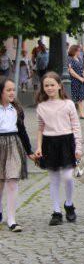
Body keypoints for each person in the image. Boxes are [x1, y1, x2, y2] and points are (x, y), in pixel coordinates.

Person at [32, 72, 82, 225]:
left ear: (59, 85)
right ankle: (56, 211)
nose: (49, 88)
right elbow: (40, 128)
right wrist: (38, 147)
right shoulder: (41, 106)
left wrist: (78, 147)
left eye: (52, 85)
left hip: (67, 141)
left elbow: (76, 126)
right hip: (49, 143)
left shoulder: (68, 104)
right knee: (54, 179)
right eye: (46, 85)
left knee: (68, 177)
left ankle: (69, 204)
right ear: (43, 88)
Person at [0, 78, 33, 232]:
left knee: (12, 181)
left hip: (13, 144)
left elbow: (22, 132)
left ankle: (11, 219)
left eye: (14, 89)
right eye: (8, 90)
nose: (12, 92)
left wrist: (29, 151)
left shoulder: (17, 110)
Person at [67, 44, 84, 118]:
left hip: (81, 81)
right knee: (74, 98)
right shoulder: (69, 59)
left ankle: (82, 114)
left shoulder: (79, 59)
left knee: (81, 97)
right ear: (74, 51)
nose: (79, 52)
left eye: (80, 50)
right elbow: (71, 71)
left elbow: (82, 69)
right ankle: (71, 114)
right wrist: (80, 78)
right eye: (78, 51)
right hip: (74, 81)